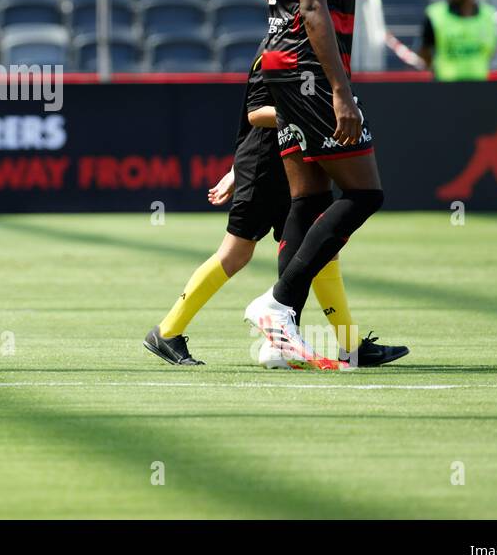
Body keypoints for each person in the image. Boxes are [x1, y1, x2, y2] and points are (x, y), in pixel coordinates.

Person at [144, 46, 408, 369]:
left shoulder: (307, 50)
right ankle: (167, 331)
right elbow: (254, 114)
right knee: (236, 253)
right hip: (263, 167)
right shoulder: (274, 52)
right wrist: (238, 170)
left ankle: (349, 346)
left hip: (294, 166)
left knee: (324, 252)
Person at [243, 0, 383, 371]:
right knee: (366, 193)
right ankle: (277, 304)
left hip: (283, 62)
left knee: (309, 199)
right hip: (306, 68)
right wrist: (339, 92)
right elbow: (311, 5)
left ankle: (280, 337)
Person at [418, 0, 497, 81]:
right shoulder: (436, 14)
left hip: (479, 83)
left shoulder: (487, 15)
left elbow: (491, 50)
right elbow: (424, 50)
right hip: (446, 84)